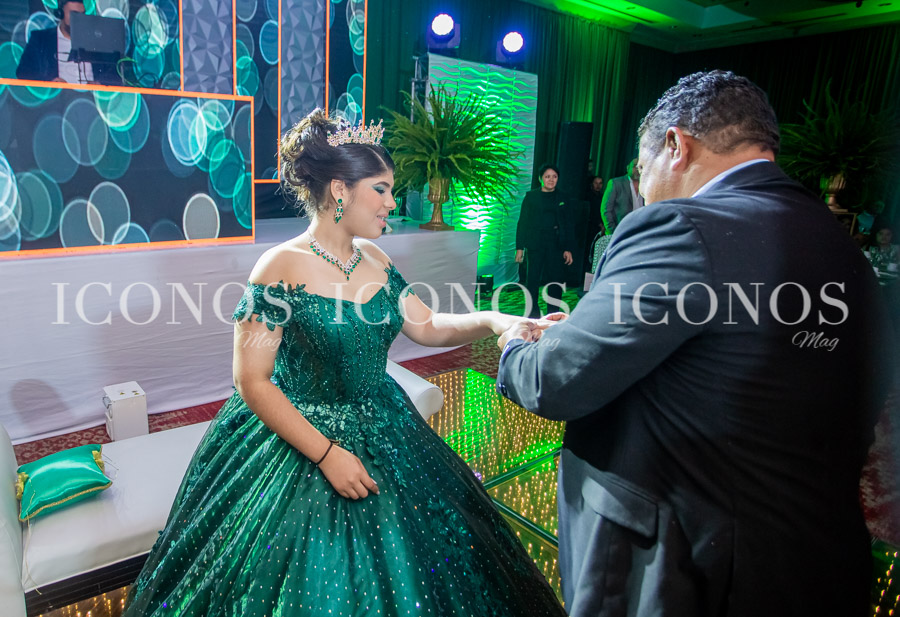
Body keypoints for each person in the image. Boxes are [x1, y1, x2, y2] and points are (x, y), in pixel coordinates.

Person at [122, 110, 566, 616]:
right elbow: (251, 381)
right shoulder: (279, 266)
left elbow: (427, 326)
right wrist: (327, 454)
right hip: (299, 436)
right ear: (340, 190)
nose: (392, 202)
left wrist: (496, 319)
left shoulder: (377, 259)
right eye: (381, 189)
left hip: (386, 423)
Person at [495, 70, 893, 616]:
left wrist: (517, 344)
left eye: (642, 170)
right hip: (818, 561)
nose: (643, 190)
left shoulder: (680, 227)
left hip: (686, 570)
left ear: (675, 146)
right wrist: (589, 328)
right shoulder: (841, 247)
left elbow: (555, 380)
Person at [515, 164, 576, 317]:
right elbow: (523, 222)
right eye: (547, 176)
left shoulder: (563, 197)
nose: (551, 180)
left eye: (554, 177)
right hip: (535, 243)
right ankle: (532, 313)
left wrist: (568, 248)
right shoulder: (531, 197)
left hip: (556, 243)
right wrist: (519, 248)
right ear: (540, 178)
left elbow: (569, 223)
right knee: (533, 280)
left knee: (555, 280)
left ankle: (553, 313)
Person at [16, 0, 118, 85]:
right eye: (74, 14)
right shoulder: (40, 39)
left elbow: (114, 75)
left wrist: (99, 84)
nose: (79, 20)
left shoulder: (96, 41)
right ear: (60, 14)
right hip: (58, 99)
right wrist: (50, 83)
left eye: (82, 15)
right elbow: (23, 73)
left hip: (90, 99)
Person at [600, 158, 643, 235]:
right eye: (635, 166)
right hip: (619, 233)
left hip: (639, 234)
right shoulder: (616, 183)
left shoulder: (646, 186)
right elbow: (605, 210)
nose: (637, 170)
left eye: (640, 167)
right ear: (628, 168)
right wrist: (612, 232)